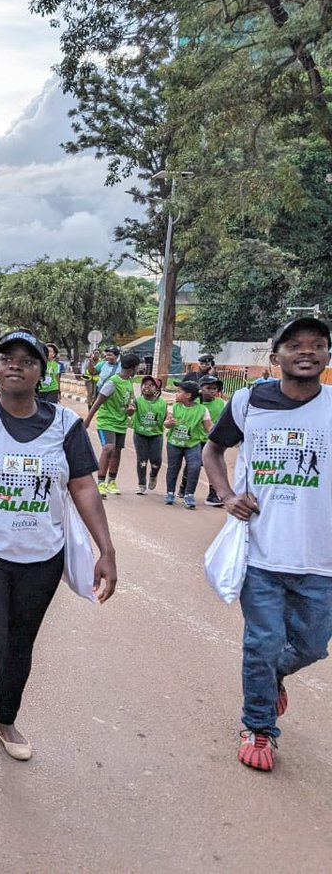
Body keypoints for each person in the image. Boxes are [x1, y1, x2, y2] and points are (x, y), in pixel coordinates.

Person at [0, 329, 116, 786]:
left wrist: (106, 550)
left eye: (27, 360)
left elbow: (83, 488)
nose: (15, 365)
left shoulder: (66, 426)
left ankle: (6, 719)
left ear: (41, 372)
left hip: (42, 557)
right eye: (6, 358)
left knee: (20, 644)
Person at [203, 317, 332, 772]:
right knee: (262, 641)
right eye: (295, 344)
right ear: (275, 357)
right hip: (260, 551)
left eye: (318, 344)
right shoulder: (248, 401)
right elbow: (213, 450)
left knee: (313, 646)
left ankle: (272, 676)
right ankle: (259, 726)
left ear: (327, 356)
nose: (307, 351)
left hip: (322, 559)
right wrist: (226, 495)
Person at [82, 353, 139, 496]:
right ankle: (100, 482)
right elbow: (97, 402)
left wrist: (131, 410)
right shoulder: (112, 382)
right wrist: (87, 421)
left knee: (117, 451)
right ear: (133, 368)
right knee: (108, 448)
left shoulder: (129, 384)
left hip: (120, 422)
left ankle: (111, 481)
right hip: (106, 421)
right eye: (138, 367)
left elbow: (130, 405)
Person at [163, 380, 211, 509]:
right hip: (174, 443)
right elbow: (167, 423)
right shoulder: (174, 406)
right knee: (173, 468)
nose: (176, 394)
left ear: (188, 395)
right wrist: (169, 424)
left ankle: (189, 494)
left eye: (179, 392)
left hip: (193, 444)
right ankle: (170, 493)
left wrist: (217, 438)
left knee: (194, 467)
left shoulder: (202, 410)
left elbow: (209, 427)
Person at [128, 376, 166, 495]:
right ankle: (141, 484)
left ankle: (153, 475)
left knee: (156, 460)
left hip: (156, 435)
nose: (146, 387)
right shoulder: (137, 401)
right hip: (140, 434)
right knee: (142, 459)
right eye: (144, 384)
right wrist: (130, 411)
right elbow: (130, 412)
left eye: (150, 385)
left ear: (157, 389)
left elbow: (165, 418)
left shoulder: (162, 403)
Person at [198, 374, 228, 506]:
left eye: (215, 388)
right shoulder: (196, 403)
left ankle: (213, 494)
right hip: (196, 439)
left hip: (213, 441)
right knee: (193, 465)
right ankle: (185, 487)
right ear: (200, 388)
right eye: (209, 387)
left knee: (214, 467)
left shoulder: (221, 404)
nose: (212, 391)